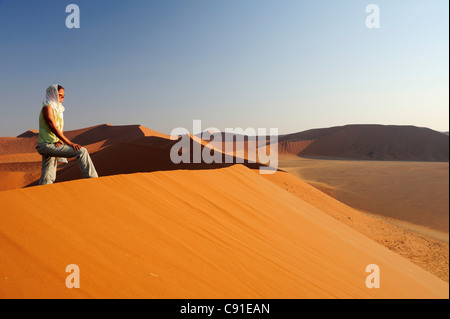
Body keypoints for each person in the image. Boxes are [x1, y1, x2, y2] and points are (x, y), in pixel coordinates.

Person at [35, 84, 98, 185]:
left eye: (63, 95)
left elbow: (58, 128)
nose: (63, 97)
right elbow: (53, 127)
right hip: (46, 145)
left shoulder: (58, 109)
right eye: (60, 95)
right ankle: (93, 180)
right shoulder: (47, 108)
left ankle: (43, 192)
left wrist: (59, 140)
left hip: (51, 144)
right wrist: (69, 143)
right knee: (82, 151)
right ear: (53, 94)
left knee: (48, 175)